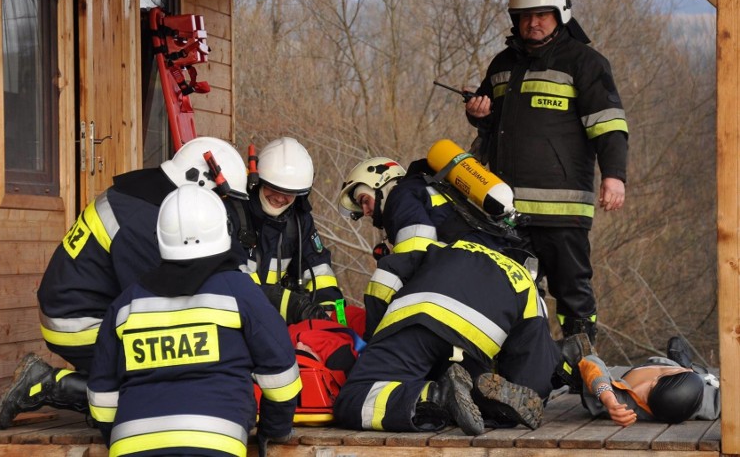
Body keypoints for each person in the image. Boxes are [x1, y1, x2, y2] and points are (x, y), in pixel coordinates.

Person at [0, 136, 249, 430]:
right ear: (200, 183)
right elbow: (158, 302)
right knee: (166, 374)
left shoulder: (146, 198)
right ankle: (50, 384)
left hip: (85, 309)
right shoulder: (144, 221)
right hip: (77, 324)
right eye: (221, 199)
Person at [334, 156, 560, 434]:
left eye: (366, 200)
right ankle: (562, 360)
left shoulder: (402, 194)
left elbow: (404, 262)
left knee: (354, 399)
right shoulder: (454, 201)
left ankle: (437, 397)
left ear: (383, 182)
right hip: (492, 317)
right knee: (474, 386)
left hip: (436, 300)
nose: (367, 211)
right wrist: (536, 387)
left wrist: (377, 340)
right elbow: (533, 340)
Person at [465, 0, 629, 342]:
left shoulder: (585, 62)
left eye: (541, 15)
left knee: (572, 294)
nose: (532, 23)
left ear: (560, 15)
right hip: (507, 212)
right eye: (525, 16)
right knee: (510, 295)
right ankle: (521, 371)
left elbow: (609, 124)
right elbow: (489, 122)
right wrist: (478, 112)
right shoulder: (502, 64)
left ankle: (586, 372)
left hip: (563, 212)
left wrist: (614, 175)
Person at [87, 185, 301, 456]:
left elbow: (102, 396)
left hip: (131, 446)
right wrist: (273, 430)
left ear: (160, 237)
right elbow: (280, 373)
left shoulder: (126, 304)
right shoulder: (240, 291)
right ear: (224, 230)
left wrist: (119, 436)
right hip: (215, 445)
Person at [240, 136, 344, 321]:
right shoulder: (236, 214)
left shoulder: (299, 221)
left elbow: (318, 268)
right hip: (235, 314)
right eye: (274, 188)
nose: (280, 198)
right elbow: (232, 280)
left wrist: (332, 313)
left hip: (274, 320)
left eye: (289, 193)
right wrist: (294, 306)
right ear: (259, 182)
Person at [579, 336, 721, 426]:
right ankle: (683, 364)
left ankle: (682, 365)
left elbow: (590, 362)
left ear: (653, 382)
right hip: (685, 376)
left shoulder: (623, 402)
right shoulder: (705, 403)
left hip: (663, 370)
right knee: (678, 347)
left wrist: (608, 398)